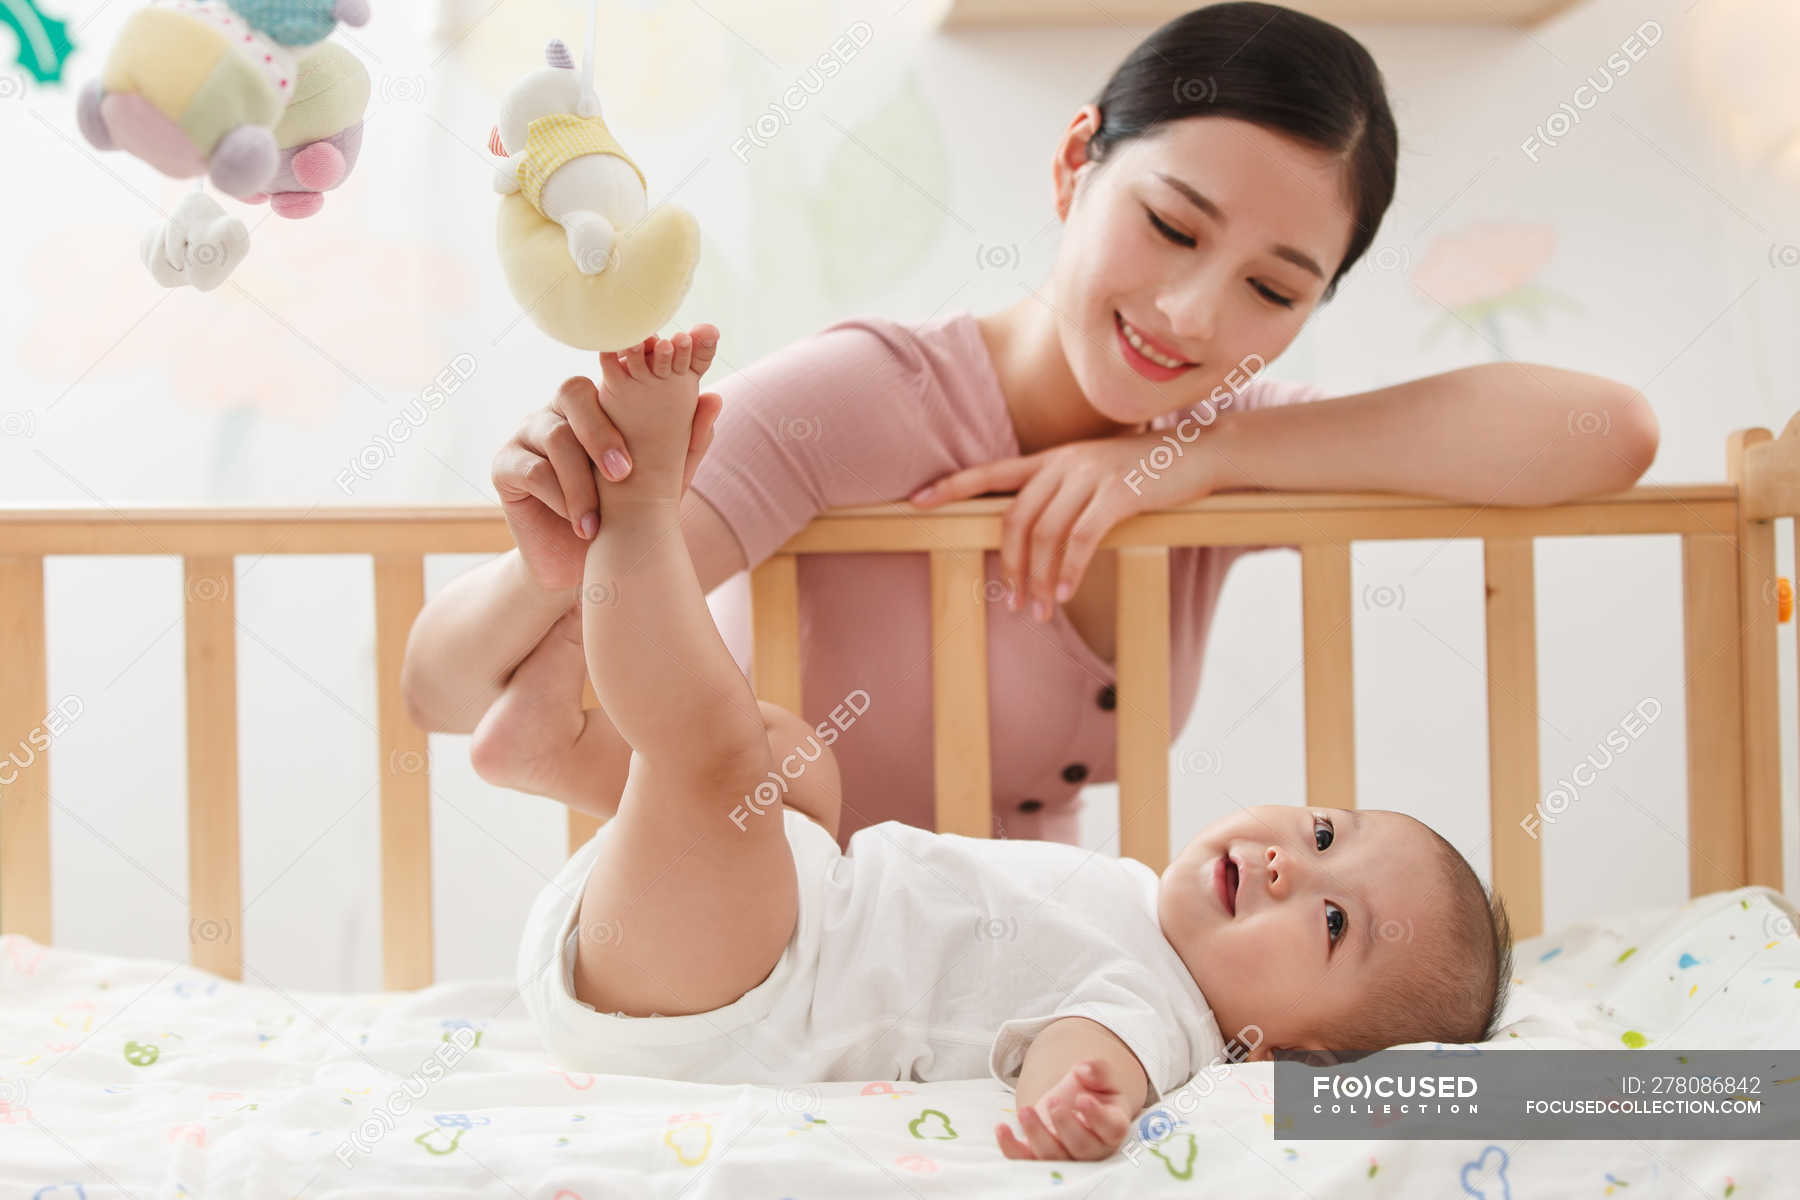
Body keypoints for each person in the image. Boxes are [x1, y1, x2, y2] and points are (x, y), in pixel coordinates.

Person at [401, 3, 1658, 847]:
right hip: (766, 931)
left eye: (1275, 289)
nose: (1190, 314)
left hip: (982, 978)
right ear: (1075, 167)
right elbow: (445, 689)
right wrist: (553, 573)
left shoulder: (1221, 445)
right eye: (1171, 225)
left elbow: (1605, 434)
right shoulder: (865, 399)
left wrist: (1191, 460)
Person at [513, 331, 1514, 1161]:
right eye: (1324, 833)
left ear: (1280, 1058)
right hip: (762, 912)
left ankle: (640, 514)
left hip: (733, 1002)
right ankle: (559, 748)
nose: (1285, 864)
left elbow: (1088, 1052)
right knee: (792, 763)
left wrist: (1076, 1102)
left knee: (721, 758)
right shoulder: (1135, 903)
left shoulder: (1163, 1011)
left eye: (1334, 922)